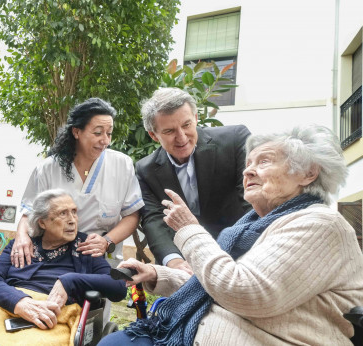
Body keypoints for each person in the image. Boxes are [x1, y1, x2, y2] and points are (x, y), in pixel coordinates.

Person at [99, 125, 363, 345]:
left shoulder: (319, 224)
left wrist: (189, 229)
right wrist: (159, 275)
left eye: (264, 161)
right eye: (248, 164)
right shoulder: (253, 225)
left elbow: (244, 292)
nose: (248, 171)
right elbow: (216, 283)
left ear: (308, 173)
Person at [0, 190, 126, 345]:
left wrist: (70, 280)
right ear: (42, 222)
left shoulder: (85, 246)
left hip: (52, 314)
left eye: (74, 212)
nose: (72, 220)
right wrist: (20, 303)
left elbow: (118, 288)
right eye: (63, 213)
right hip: (6, 303)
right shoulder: (20, 245)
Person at [12, 98, 144, 268]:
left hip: (99, 261)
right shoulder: (48, 168)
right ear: (76, 132)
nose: (105, 140)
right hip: (52, 260)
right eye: (97, 133)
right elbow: (29, 212)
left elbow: (132, 215)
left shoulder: (122, 165)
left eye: (109, 133)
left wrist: (106, 240)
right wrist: (21, 236)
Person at [135, 88, 251, 273]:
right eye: (169, 131)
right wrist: (174, 261)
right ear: (153, 135)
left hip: (240, 254)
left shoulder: (235, 140)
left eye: (187, 125)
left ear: (196, 118)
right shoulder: (145, 170)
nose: (181, 137)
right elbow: (154, 219)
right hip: (184, 261)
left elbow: (251, 199)